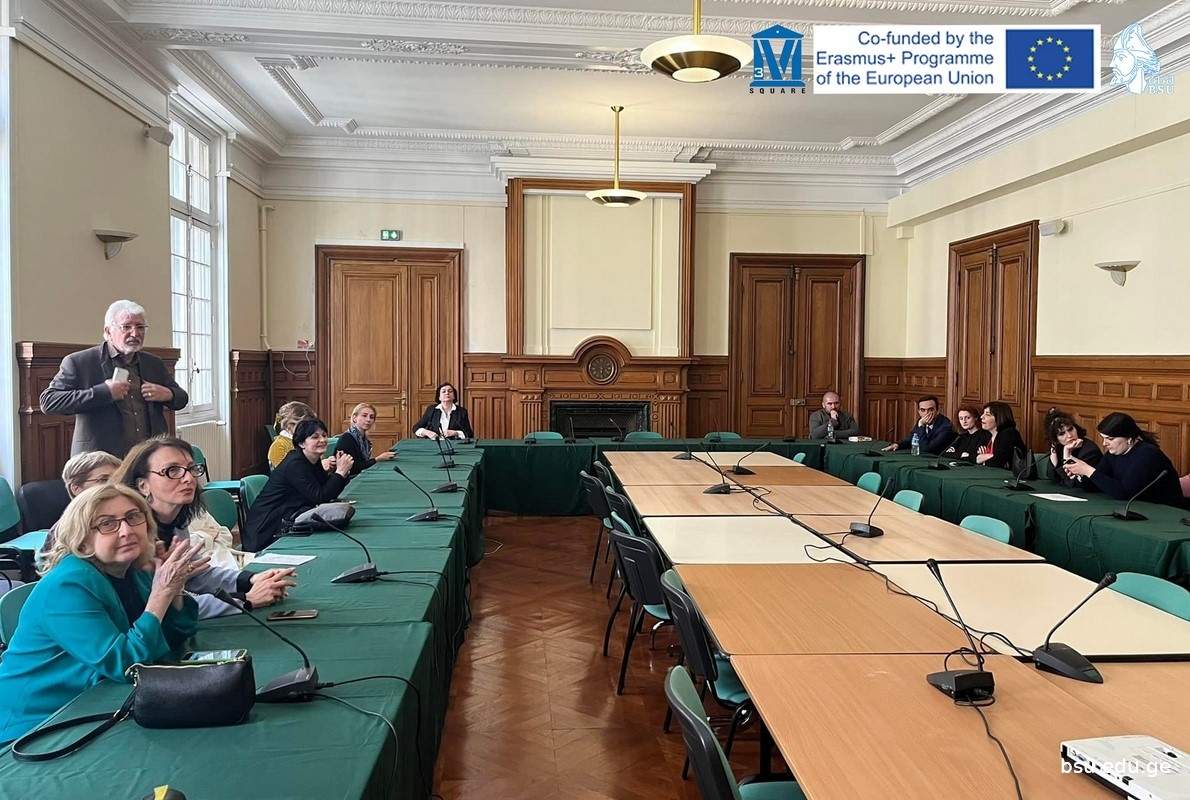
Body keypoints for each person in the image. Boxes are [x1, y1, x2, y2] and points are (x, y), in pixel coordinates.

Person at [0, 484, 202, 744]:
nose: (126, 530)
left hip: (97, 704)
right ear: (82, 538)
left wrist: (174, 590)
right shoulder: (68, 586)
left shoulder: (132, 568)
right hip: (34, 725)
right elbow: (126, 665)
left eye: (133, 517)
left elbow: (178, 634)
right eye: (107, 524)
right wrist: (160, 594)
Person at [115, 437, 296, 617]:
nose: (188, 478)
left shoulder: (176, 523)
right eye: (172, 471)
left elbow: (196, 574)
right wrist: (246, 599)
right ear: (143, 485)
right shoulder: (130, 536)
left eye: (191, 469)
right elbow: (158, 608)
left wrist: (251, 579)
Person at [39, 299, 188, 457]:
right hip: (101, 459)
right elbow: (49, 402)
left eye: (140, 327)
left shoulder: (153, 363)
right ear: (108, 331)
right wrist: (104, 392)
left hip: (148, 458)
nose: (135, 333)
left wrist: (168, 394)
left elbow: (182, 398)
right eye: (126, 327)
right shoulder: (80, 362)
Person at [243, 419, 353, 552]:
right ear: (301, 443)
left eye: (324, 435)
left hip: (288, 519)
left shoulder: (312, 460)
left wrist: (341, 472)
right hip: (267, 531)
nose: (323, 440)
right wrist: (340, 472)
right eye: (315, 437)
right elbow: (320, 497)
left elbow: (327, 491)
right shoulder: (295, 464)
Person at [1065, 412, 1184, 507]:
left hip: (1166, 512)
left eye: (1110, 439)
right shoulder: (1114, 453)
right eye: (1103, 438)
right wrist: (1080, 473)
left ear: (1129, 439)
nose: (1104, 443)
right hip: (1139, 509)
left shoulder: (1147, 454)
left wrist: (1088, 470)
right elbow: (1094, 486)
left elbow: (1125, 493)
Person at [43, 451, 123, 550]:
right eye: (103, 480)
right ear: (76, 489)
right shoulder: (64, 532)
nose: (114, 485)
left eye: (118, 479)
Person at [334, 403, 396, 476]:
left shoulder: (364, 439)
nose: (368, 420)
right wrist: (377, 459)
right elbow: (353, 468)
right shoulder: (347, 438)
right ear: (354, 418)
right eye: (364, 415)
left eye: (371, 417)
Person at [1045, 411, 1101, 491]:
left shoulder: (1090, 451)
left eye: (1070, 429)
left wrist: (1067, 454)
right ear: (1056, 439)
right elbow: (1052, 476)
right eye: (1062, 433)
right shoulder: (1060, 447)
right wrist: (1053, 449)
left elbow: (1072, 482)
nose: (1069, 435)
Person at [883, 395, 953, 455]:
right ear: (919, 412)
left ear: (937, 411)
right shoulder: (922, 420)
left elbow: (927, 450)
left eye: (930, 410)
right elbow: (912, 438)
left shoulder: (946, 426)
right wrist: (898, 444)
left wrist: (921, 426)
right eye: (923, 410)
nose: (926, 413)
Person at [974, 402, 1028, 471]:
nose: (981, 417)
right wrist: (988, 456)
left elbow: (997, 462)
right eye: (983, 413)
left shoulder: (1009, 433)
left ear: (999, 417)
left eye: (987, 414)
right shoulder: (987, 434)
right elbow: (973, 455)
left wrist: (983, 460)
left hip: (1012, 475)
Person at [268, 401, 315, 469]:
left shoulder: (308, 440)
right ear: (289, 425)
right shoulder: (279, 446)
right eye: (303, 425)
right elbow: (285, 473)